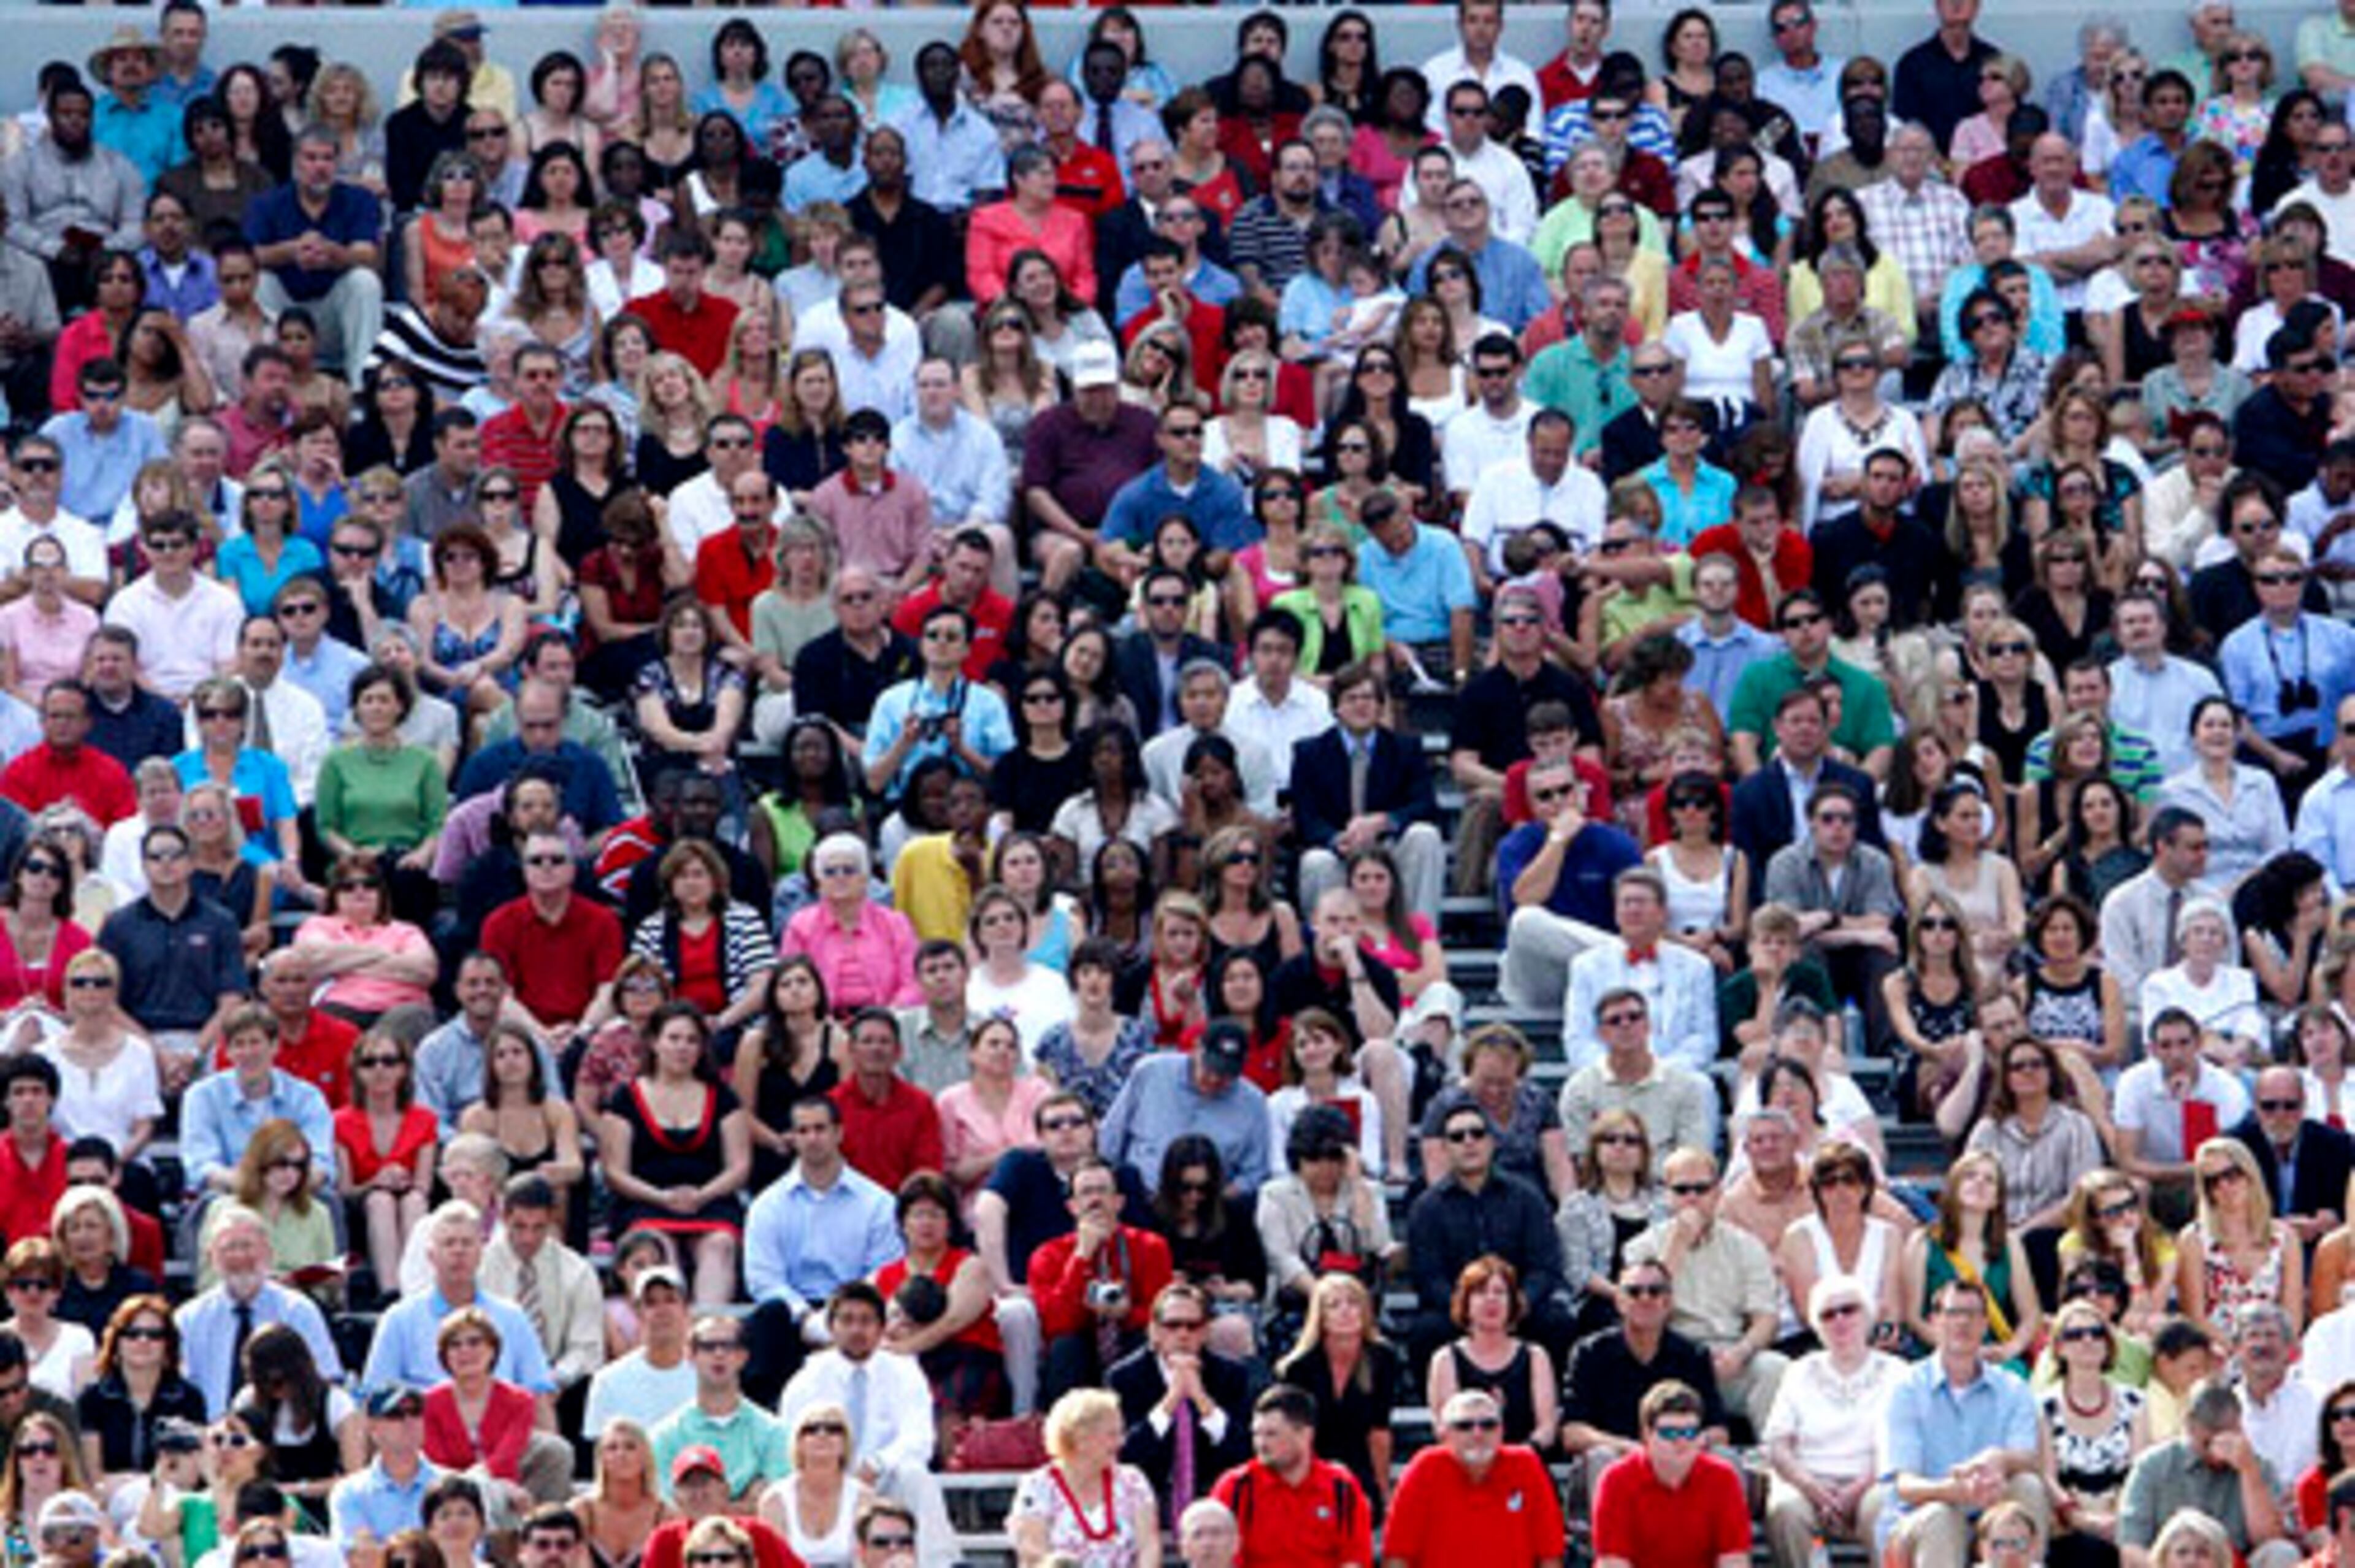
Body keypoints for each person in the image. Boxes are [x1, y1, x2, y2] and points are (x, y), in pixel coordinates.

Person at [2118, 1380, 2300, 1568]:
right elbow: (2131, 1546)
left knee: (2283, 1553)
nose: (2217, 1449)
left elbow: (2269, 1537)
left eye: (2227, 1436)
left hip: (2238, 1562)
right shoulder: (2153, 1466)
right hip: (2171, 1562)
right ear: (2190, 1427)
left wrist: (2249, 1472)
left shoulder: (2258, 1467)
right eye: (2208, 1441)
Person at [1382, 1388, 1566, 1568]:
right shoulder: (1425, 1469)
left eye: (1489, 1425)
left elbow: (1550, 1555)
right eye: (1464, 1426)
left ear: (1502, 1431)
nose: (1478, 1434)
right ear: (1444, 1434)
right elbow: (1397, 1556)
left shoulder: (1526, 1465)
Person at [1008, 1388, 1161, 1567]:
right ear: (1081, 1440)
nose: (1122, 1442)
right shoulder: (1037, 1486)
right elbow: (1033, 1554)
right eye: (1112, 1435)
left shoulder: (1133, 1481)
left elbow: (1149, 1547)